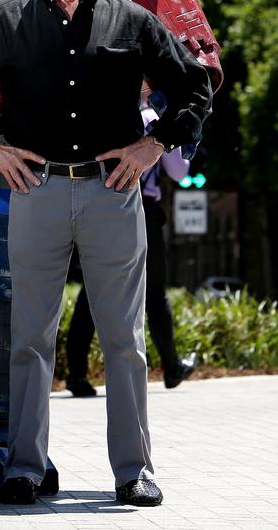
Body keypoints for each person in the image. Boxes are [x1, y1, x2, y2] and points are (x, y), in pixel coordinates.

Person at [0, 0, 213, 508]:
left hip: (112, 195)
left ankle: (133, 470)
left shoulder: (133, 21)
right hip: (34, 194)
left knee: (124, 340)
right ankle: (25, 468)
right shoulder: (6, 22)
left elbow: (194, 88)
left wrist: (153, 145)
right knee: (30, 337)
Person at [65, 106, 197, 399]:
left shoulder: (102, 116)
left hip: (98, 205)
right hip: (142, 210)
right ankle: (171, 365)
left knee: (92, 291)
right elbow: (178, 172)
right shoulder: (154, 119)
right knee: (154, 292)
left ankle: (76, 374)